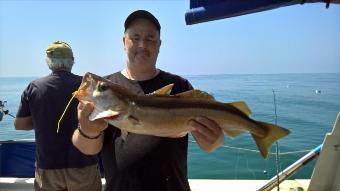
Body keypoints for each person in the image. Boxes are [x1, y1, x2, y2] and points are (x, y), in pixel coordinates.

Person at [72, 10, 224, 191]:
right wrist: (88, 130)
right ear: (124, 42)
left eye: (150, 39)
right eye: (135, 37)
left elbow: (212, 143)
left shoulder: (179, 86)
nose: (142, 44)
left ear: (159, 45)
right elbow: (87, 148)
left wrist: (214, 140)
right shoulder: (106, 89)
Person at [14, 41, 102, 191]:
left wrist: (42, 120)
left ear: (49, 62)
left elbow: (19, 124)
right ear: (72, 61)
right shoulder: (87, 86)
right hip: (84, 166)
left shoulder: (34, 87)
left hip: (48, 169)